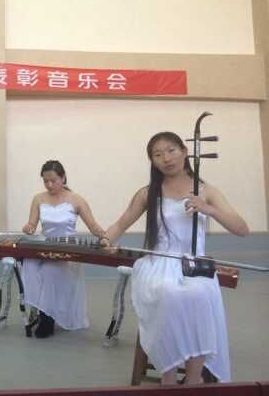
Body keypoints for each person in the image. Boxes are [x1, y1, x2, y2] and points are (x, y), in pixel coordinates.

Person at [102, 132, 249, 384]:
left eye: (171, 150)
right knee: (169, 292)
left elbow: (242, 229)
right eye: (158, 154)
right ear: (152, 160)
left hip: (194, 265)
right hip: (158, 264)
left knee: (199, 295)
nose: (166, 158)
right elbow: (120, 223)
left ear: (185, 151)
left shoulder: (206, 190)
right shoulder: (147, 193)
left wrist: (209, 209)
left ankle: (193, 379)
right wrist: (106, 240)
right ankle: (168, 376)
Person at [21, 160, 105, 338]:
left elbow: (93, 225)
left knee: (49, 271)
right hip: (44, 246)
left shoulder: (76, 199)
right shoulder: (38, 198)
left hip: (67, 249)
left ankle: (47, 319)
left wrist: (104, 237)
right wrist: (28, 227)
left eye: (53, 180)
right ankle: (40, 308)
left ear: (63, 177)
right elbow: (32, 224)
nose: (49, 185)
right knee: (29, 265)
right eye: (45, 181)